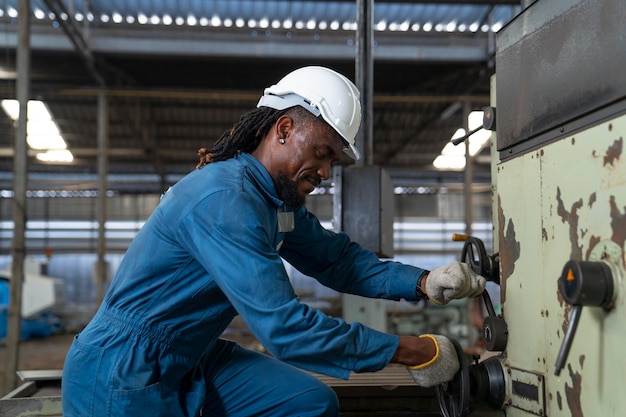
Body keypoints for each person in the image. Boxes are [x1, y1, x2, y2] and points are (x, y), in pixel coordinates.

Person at [62, 66, 485, 417]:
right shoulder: (225, 199)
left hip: (190, 355)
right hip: (123, 367)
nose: (325, 172)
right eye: (321, 153)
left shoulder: (274, 201)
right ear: (284, 128)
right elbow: (284, 329)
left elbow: (338, 262)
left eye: (332, 161)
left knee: (310, 403)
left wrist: (424, 281)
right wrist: (413, 351)